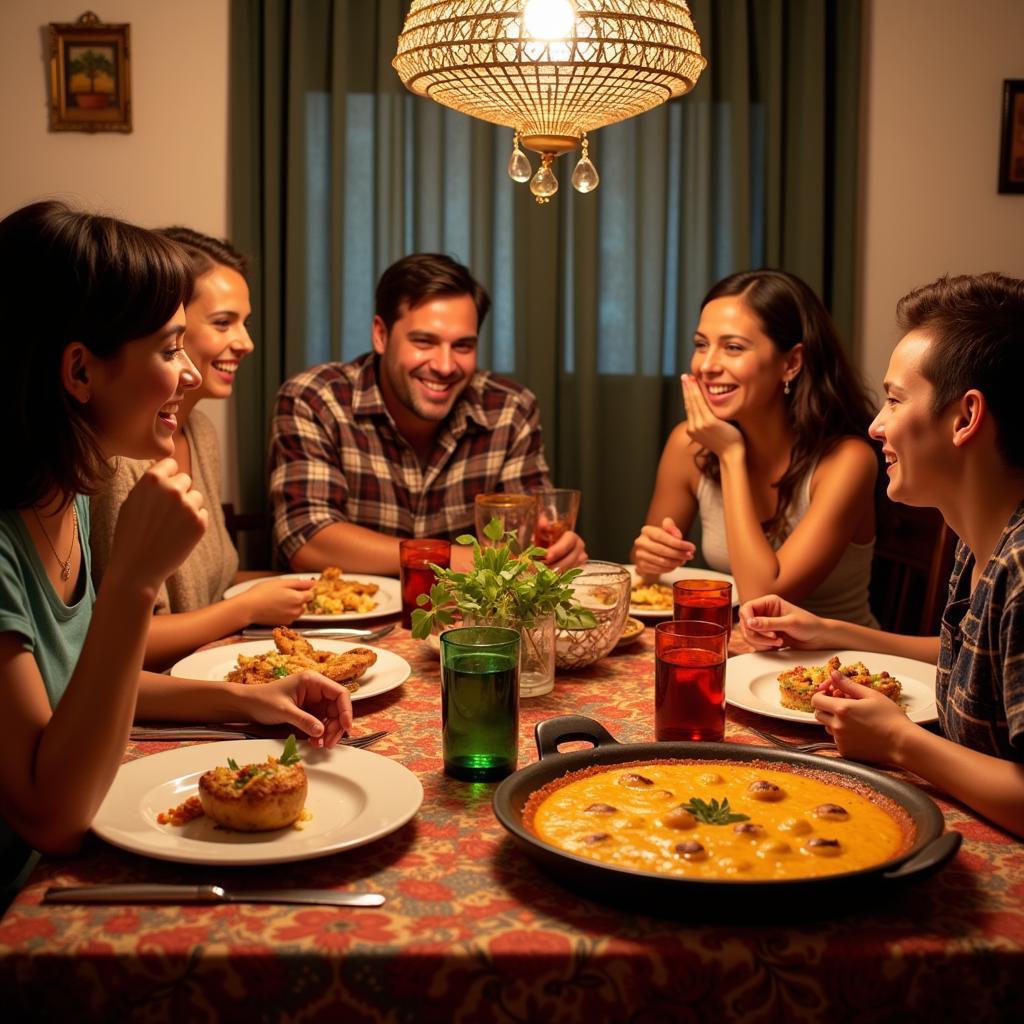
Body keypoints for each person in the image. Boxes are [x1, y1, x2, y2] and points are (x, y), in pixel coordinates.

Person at [0, 202, 353, 879]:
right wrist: (133, 580)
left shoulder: (63, 497)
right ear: (79, 373)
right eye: (168, 350)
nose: (188, 374)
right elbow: (51, 819)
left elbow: (83, 687)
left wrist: (246, 699)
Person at [741, 272, 1024, 838]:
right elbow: (967, 659)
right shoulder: (980, 542)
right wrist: (830, 632)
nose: (876, 425)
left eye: (895, 400)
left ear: (965, 418)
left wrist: (900, 740)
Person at [269, 253, 587, 575]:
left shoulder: (510, 410)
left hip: (471, 621)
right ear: (381, 335)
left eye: (462, 346)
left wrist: (555, 549)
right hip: (344, 622)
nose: (445, 366)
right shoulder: (315, 400)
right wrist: (459, 559)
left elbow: (528, 539)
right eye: (424, 342)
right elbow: (306, 539)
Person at [89, 228, 313, 670]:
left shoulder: (200, 433)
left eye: (244, 322)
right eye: (223, 322)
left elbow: (215, 583)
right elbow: (113, 640)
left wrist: (302, 590)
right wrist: (247, 608)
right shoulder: (117, 461)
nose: (246, 342)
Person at [631, 269, 878, 625]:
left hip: (841, 668)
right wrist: (650, 559)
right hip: (746, 654)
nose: (707, 366)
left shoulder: (848, 461)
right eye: (701, 345)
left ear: (790, 363)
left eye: (733, 347)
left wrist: (731, 456)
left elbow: (763, 597)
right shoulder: (688, 444)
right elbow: (647, 579)